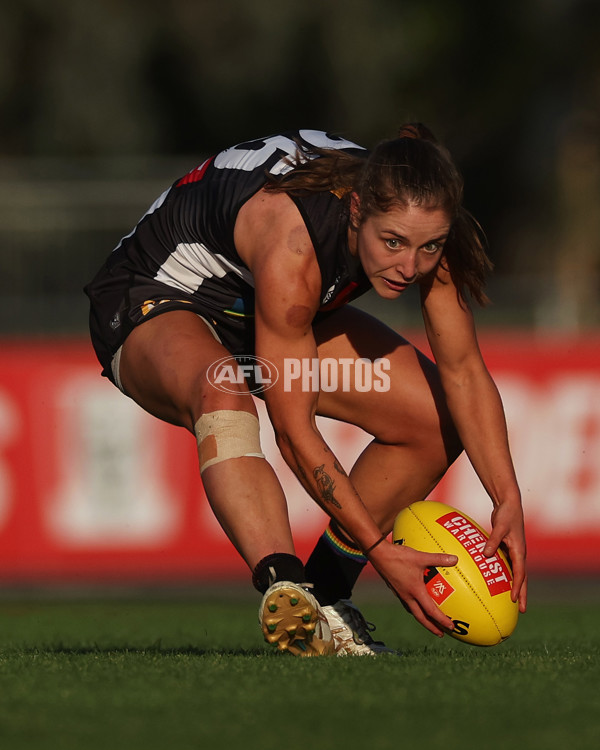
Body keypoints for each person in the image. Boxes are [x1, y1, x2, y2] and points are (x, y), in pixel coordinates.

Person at [84, 124, 527, 657]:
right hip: (156, 294)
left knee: (433, 421)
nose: (410, 267)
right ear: (358, 209)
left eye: (428, 247)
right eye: (393, 243)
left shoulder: (422, 222)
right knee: (221, 394)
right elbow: (294, 433)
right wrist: (380, 549)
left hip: (258, 307)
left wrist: (507, 498)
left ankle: (326, 604)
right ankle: (286, 584)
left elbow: (464, 374)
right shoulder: (294, 243)